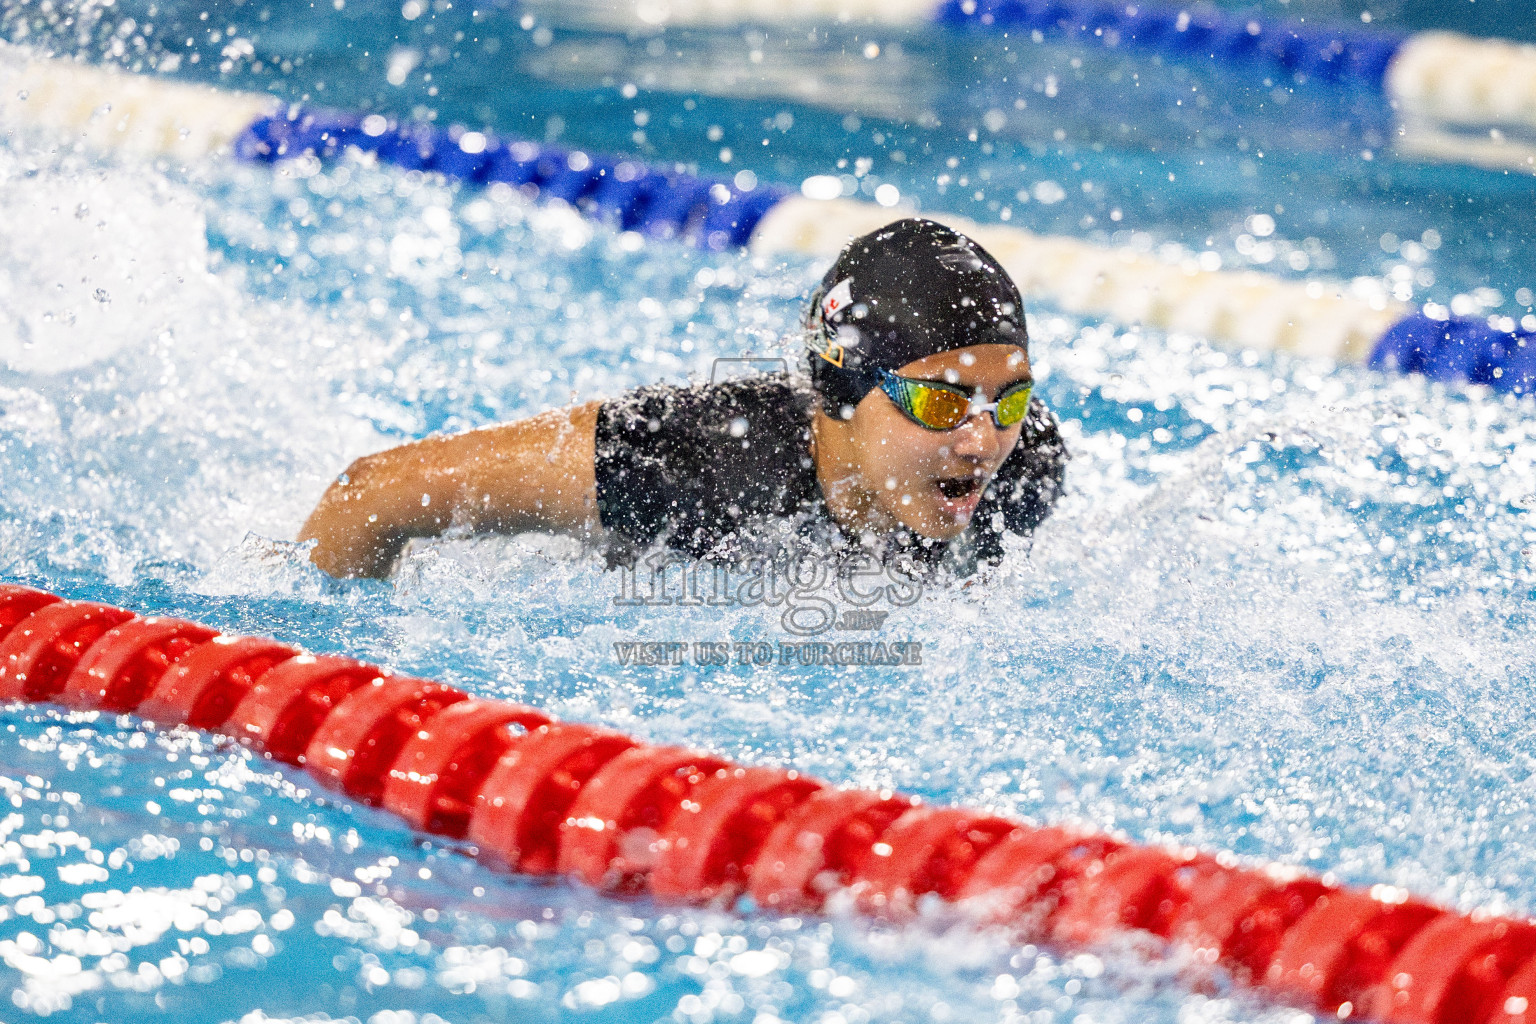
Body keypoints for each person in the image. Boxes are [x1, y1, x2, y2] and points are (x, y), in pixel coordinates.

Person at [299, 218, 1067, 579]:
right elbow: (372, 494)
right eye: (941, 404)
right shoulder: (685, 458)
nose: (981, 443)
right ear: (842, 387)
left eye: (1009, 400)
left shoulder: (1023, 469)